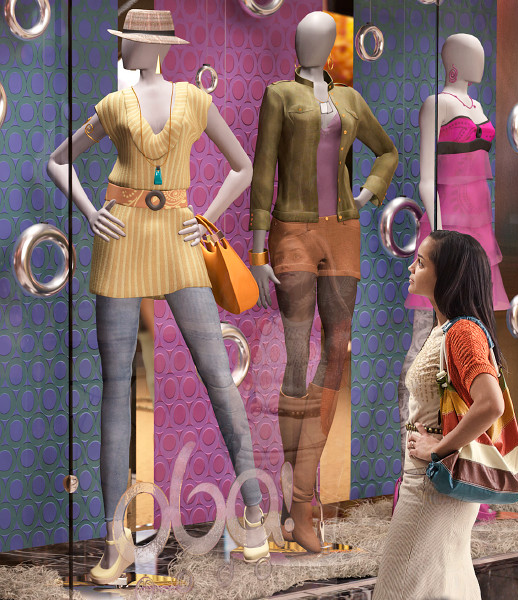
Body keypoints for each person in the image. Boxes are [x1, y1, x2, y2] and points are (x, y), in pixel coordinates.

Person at [47, 9, 268, 584]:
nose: (121, 52)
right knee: (114, 389)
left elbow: (242, 167)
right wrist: (94, 214)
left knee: (219, 376)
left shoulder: (195, 100)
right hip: (121, 242)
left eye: (128, 42)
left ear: (152, 47)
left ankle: (255, 511)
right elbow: (57, 161)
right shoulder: (113, 105)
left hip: (176, 240)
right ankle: (116, 542)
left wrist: (207, 219)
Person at [248, 11, 398, 553]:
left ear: (330, 43)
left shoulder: (352, 100)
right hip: (292, 231)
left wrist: (370, 191)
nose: (309, 41)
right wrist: (257, 247)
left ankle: (301, 496)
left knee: (337, 349)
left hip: (343, 233)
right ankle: (298, 503)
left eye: (320, 34)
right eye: (303, 34)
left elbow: (388, 149)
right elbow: (264, 171)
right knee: (294, 354)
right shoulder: (279, 95)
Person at [374, 230, 506, 600]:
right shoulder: (444, 329)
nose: (412, 267)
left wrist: (439, 448)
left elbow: (491, 403)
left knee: (400, 587)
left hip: (434, 483)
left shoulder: (462, 331)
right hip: (430, 479)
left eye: (422, 262)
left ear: (447, 274)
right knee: (443, 581)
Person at [399, 33, 509, 472]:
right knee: (426, 340)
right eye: (472, 55)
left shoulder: (478, 109)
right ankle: (413, 454)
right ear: (454, 62)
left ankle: (474, 463)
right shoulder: (437, 104)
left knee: (476, 345)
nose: (480, 59)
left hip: (480, 232)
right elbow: (427, 178)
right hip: (448, 230)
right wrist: (440, 239)